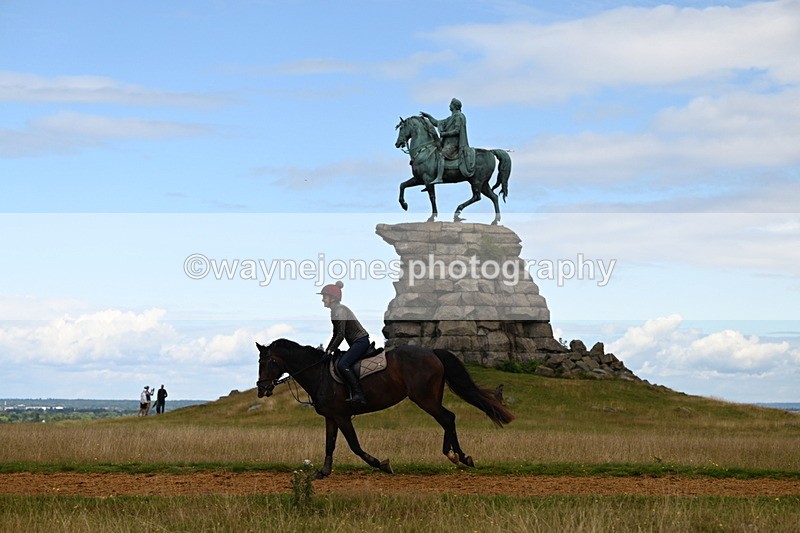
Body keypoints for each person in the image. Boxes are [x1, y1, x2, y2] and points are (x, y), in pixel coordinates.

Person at [319, 281, 370, 404]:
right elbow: (336, 334)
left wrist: (331, 350)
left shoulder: (340, 311)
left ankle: (359, 394)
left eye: (324, 297)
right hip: (356, 343)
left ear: (332, 298)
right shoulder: (335, 311)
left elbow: (340, 334)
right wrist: (328, 349)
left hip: (361, 342)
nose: (322, 300)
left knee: (342, 365)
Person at [419, 97, 476, 189]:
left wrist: (445, 133)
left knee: (441, 155)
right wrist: (428, 117)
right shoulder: (450, 118)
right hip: (447, 143)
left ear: (454, 106)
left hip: (454, 144)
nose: (449, 105)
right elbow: (437, 123)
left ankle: (439, 177)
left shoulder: (458, 116)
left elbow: (457, 130)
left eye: (451, 104)